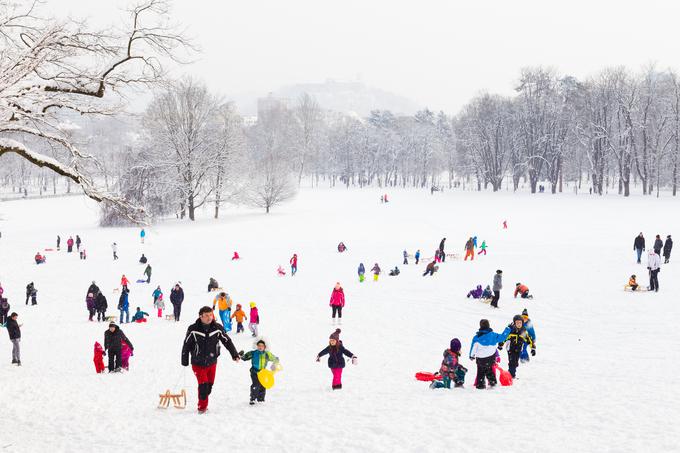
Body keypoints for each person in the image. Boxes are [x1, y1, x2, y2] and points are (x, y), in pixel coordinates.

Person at [181, 306, 240, 413]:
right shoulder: (193, 329)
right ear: (201, 316)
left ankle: (203, 397)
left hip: (212, 362)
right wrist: (184, 360)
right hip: (197, 363)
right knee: (203, 385)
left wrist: (234, 354)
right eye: (207, 315)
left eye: (211, 315)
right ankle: (202, 408)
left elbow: (227, 341)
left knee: (209, 386)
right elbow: (186, 344)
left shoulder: (217, 328)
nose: (209, 317)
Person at [469, 319, 511, 389]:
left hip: (480, 359)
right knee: (489, 370)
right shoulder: (493, 335)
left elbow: (473, 348)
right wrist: (508, 329)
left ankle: (480, 385)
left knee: (480, 371)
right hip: (490, 358)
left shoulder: (476, 338)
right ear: (488, 326)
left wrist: (471, 355)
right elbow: (502, 337)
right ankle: (492, 382)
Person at [240, 339, 279, 405]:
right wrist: (241, 355)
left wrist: (274, 364)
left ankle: (261, 399)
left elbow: (275, 359)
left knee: (263, 385)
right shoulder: (253, 353)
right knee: (256, 384)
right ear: (257, 346)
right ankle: (253, 399)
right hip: (254, 371)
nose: (260, 347)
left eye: (262, 346)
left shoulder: (267, 354)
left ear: (265, 347)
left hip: (263, 373)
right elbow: (245, 357)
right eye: (259, 346)